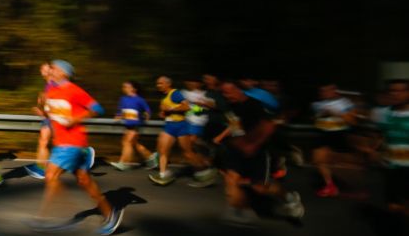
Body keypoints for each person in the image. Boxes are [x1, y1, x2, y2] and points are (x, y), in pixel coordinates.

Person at [32, 60, 123, 234]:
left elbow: (98, 109)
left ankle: (53, 217)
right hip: (64, 143)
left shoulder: (74, 90)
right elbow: (54, 115)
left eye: (54, 69)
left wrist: (76, 119)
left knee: (50, 176)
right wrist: (42, 112)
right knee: (85, 181)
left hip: (71, 142)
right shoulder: (51, 91)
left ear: (64, 73)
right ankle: (110, 213)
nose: (50, 71)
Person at [213, 80, 304, 226]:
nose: (226, 96)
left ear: (238, 90)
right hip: (236, 151)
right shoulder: (231, 105)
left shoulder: (253, 105)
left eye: (228, 92)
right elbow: (235, 123)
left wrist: (253, 145)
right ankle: (238, 211)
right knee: (232, 180)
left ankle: (290, 198)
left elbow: (268, 127)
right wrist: (221, 137)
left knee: (260, 188)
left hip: (257, 152)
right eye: (224, 93)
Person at [149, 76, 212, 186]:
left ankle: (204, 171)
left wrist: (170, 109)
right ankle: (163, 175)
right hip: (169, 126)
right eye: (157, 83)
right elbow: (164, 113)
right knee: (163, 150)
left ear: (168, 84)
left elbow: (186, 107)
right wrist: (163, 113)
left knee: (187, 153)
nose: (158, 85)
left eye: (161, 83)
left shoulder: (175, 93)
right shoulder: (164, 97)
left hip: (181, 126)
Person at [310, 83, 358, 198]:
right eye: (322, 91)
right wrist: (321, 115)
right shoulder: (316, 104)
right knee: (318, 160)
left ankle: (345, 183)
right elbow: (313, 119)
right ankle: (330, 185)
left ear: (334, 91)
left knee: (340, 162)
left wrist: (336, 113)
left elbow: (352, 121)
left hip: (339, 134)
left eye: (327, 90)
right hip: (322, 134)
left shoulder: (345, 103)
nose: (324, 93)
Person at [371, 79, 409, 216]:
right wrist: (374, 150)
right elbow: (380, 135)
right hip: (391, 167)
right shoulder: (382, 114)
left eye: (400, 91)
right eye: (392, 91)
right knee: (393, 206)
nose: (395, 94)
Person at [109, 80, 156, 170]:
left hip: (136, 125)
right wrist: (118, 115)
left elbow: (147, 110)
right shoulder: (123, 99)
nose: (124, 88)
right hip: (127, 124)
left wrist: (147, 115)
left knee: (128, 142)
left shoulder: (139, 100)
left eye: (126, 87)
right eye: (123, 87)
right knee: (132, 143)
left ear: (134, 89)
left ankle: (124, 163)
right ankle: (151, 157)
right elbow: (120, 110)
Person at [25, 62, 55, 180]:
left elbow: (53, 104)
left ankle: (84, 153)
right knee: (43, 141)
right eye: (41, 68)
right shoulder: (48, 84)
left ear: (51, 70)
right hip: (49, 118)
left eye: (44, 67)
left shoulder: (53, 84)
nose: (41, 70)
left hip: (54, 118)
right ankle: (41, 168)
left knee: (59, 143)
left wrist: (42, 111)